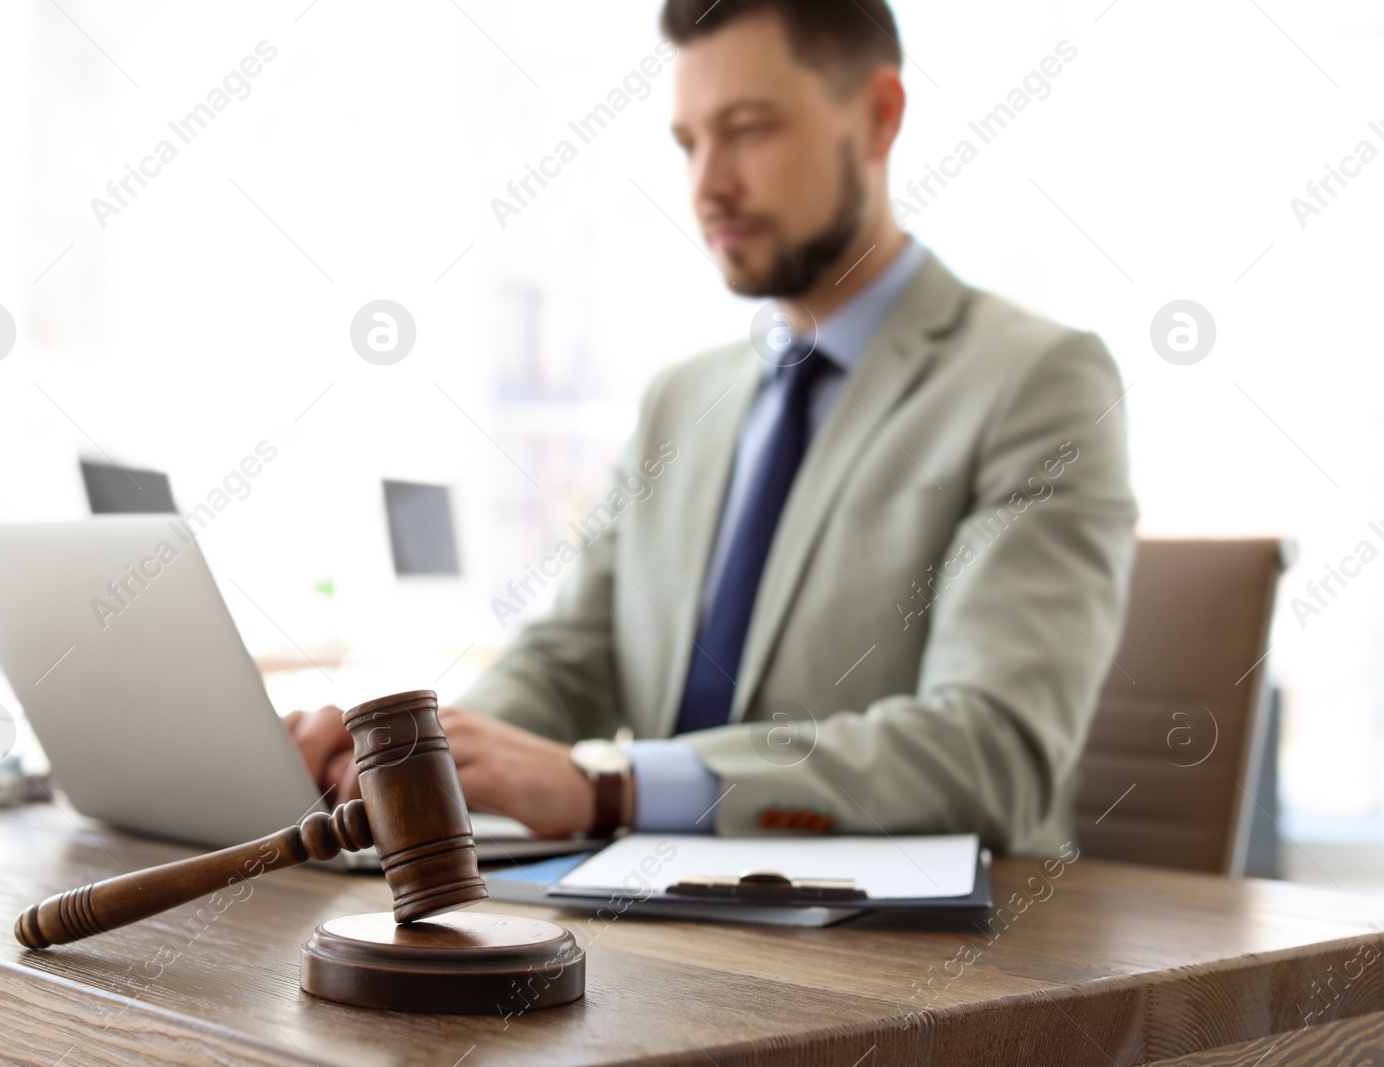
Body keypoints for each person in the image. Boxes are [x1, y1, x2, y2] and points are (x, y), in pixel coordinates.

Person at [286, 0, 1137, 854]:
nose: (708, 185)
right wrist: (406, 765)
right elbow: (566, 662)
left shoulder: (1036, 382)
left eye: (750, 129)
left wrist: (610, 787)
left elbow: (994, 750)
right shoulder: (680, 400)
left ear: (879, 116)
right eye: (689, 143)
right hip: (656, 926)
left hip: (911, 957)